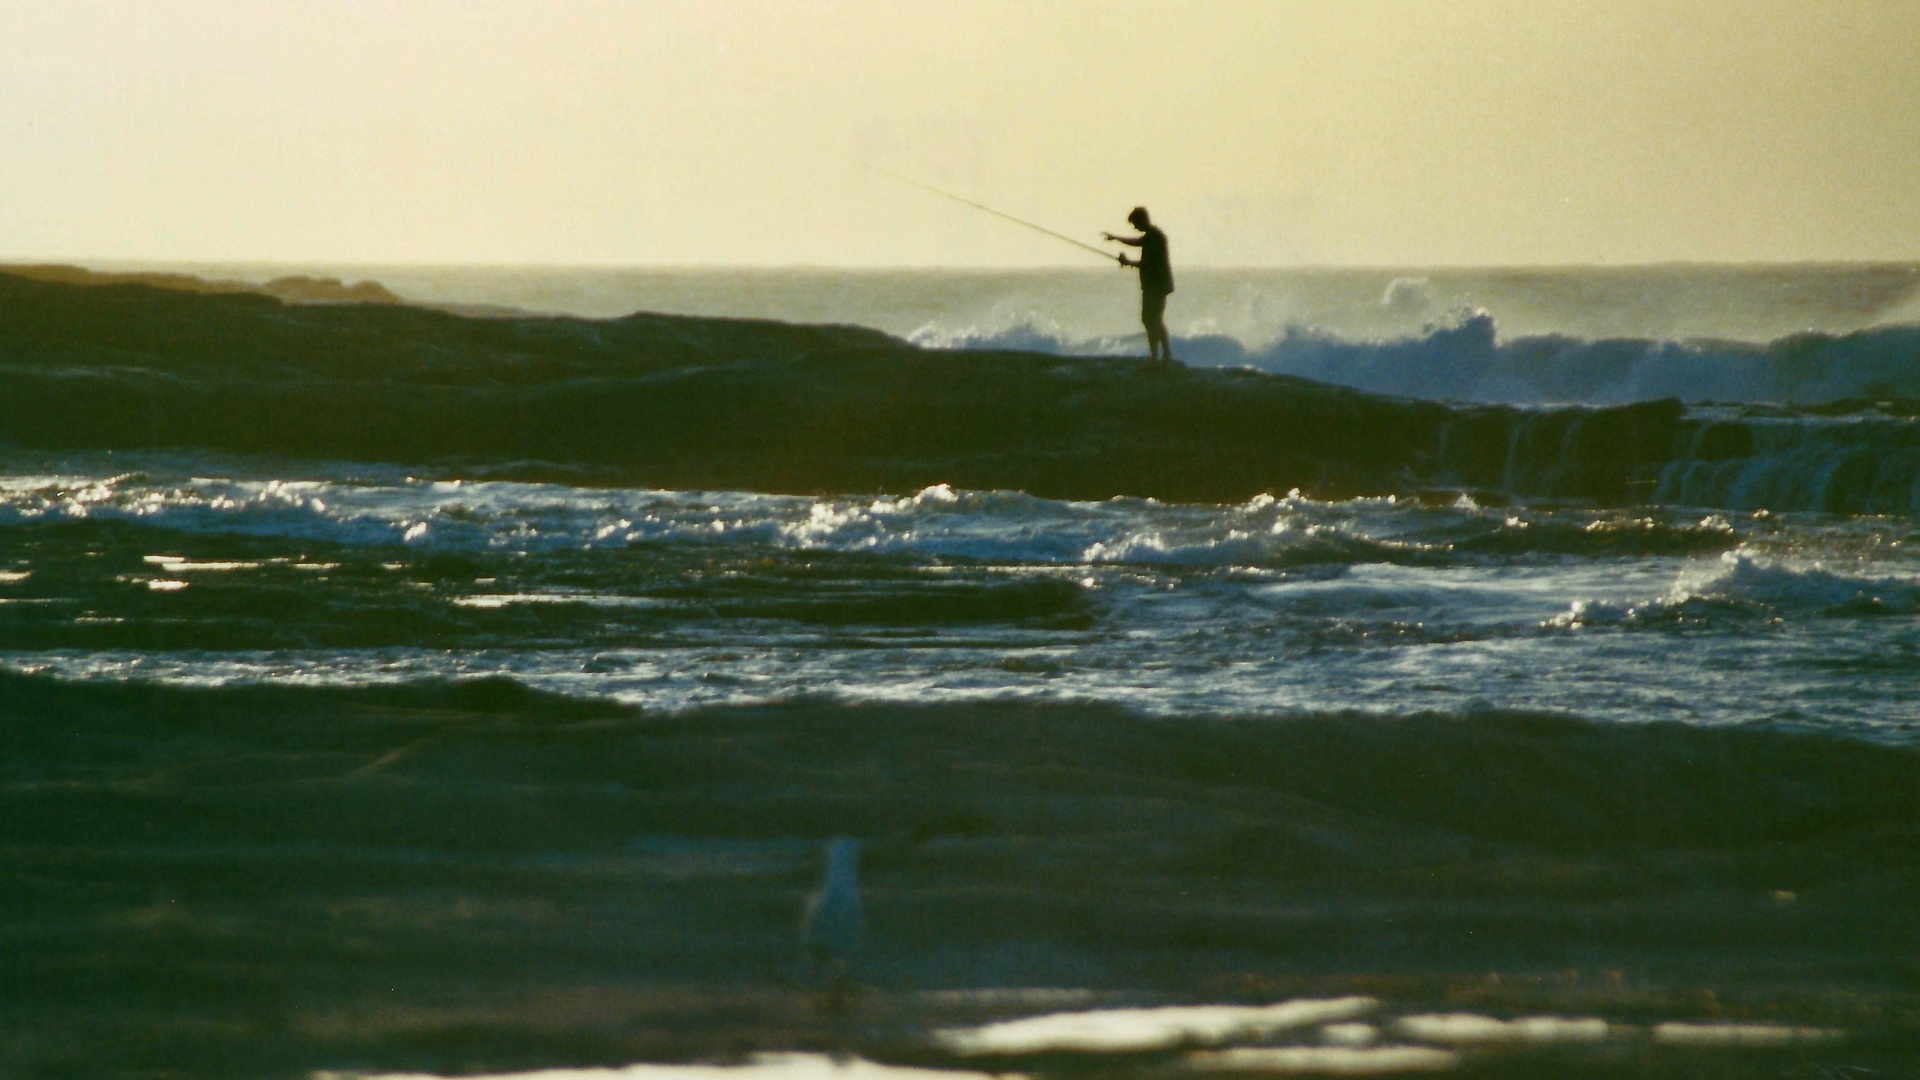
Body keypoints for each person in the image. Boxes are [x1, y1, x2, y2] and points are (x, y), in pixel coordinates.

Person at [1104, 207, 1175, 363]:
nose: (1135, 228)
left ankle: (1159, 356)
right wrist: (1115, 238)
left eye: (1135, 224)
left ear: (1142, 220)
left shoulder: (1155, 237)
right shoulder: (1152, 235)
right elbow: (1137, 242)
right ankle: (1162, 355)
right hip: (1155, 285)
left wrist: (1127, 262)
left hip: (1156, 285)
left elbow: (1147, 263)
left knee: (1151, 319)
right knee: (1152, 319)